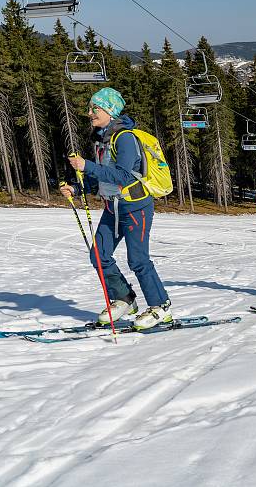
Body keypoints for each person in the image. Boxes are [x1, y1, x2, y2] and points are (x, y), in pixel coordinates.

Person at [60, 87, 171, 329]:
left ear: (109, 111)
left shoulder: (125, 138)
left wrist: (86, 165)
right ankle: (124, 298)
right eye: (90, 108)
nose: (89, 113)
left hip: (135, 207)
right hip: (113, 208)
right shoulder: (103, 139)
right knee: (98, 255)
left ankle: (160, 306)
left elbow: (122, 175)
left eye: (95, 108)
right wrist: (77, 189)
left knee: (138, 259)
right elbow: (103, 177)